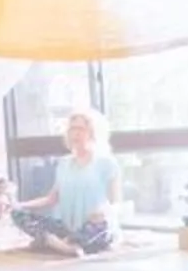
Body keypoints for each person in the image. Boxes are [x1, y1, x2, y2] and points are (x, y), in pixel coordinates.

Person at [12, 109, 121, 256]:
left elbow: (115, 202)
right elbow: (51, 199)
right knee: (18, 213)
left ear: (92, 132)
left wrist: (103, 212)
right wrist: (19, 205)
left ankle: (56, 241)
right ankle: (65, 243)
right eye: (72, 129)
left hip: (95, 225)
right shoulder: (63, 164)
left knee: (100, 230)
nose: (76, 133)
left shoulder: (107, 163)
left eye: (81, 129)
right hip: (67, 226)